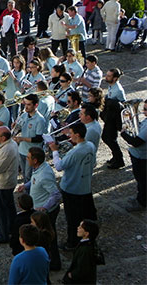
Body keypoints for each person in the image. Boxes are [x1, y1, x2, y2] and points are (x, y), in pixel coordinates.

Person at [49, 122, 97, 251]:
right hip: (85, 187)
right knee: (86, 215)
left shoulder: (76, 151)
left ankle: (72, 242)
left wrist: (55, 152)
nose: (69, 135)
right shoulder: (90, 146)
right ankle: (87, 239)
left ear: (77, 134)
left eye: (71, 133)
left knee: (72, 218)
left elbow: (59, 166)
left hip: (72, 188)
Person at [18, 147, 62, 269]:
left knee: (49, 239)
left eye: (28, 157)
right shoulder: (38, 168)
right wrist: (26, 186)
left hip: (46, 213)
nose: (26, 159)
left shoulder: (44, 175)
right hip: (39, 210)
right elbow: (34, 181)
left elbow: (56, 194)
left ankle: (54, 263)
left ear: (35, 160)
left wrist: (44, 208)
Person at [13, 94, 47, 184]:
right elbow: (19, 128)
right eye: (25, 104)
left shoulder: (40, 120)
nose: (26, 107)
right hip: (22, 150)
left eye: (28, 105)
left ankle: (30, 194)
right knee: (24, 174)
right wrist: (15, 127)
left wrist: (23, 139)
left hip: (32, 153)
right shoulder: (24, 115)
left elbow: (39, 139)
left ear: (36, 105)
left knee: (29, 176)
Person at [121, 99, 147, 212]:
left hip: (142, 157)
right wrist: (132, 122)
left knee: (142, 181)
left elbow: (136, 142)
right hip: (138, 155)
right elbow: (139, 127)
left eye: (145, 109)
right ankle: (140, 198)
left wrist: (123, 134)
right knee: (140, 179)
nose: (142, 111)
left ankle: (142, 202)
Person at [101, 68, 126, 169]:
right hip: (111, 115)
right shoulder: (112, 86)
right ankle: (116, 156)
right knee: (108, 138)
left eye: (109, 76)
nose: (106, 77)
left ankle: (119, 160)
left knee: (109, 138)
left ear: (115, 78)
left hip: (115, 116)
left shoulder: (117, 89)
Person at [62, 219, 100, 284]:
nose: (78, 228)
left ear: (86, 233)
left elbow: (82, 268)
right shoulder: (89, 244)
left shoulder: (85, 249)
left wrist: (72, 275)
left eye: (80, 227)